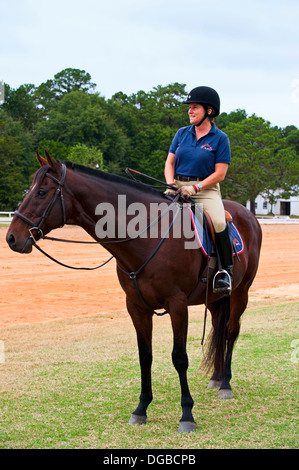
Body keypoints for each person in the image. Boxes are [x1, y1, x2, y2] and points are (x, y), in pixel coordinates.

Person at [164, 86, 233, 294]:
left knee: (219, 221)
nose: (190, 111)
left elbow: (220, 174)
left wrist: (195, 188)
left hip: (205, 189)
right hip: (176, 185)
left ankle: (224, 271)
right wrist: (170, 184)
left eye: (195, 107)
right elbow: (170, 162)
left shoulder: (220, 139)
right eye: (189, 108)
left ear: (209, 111)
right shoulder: (181, 134)